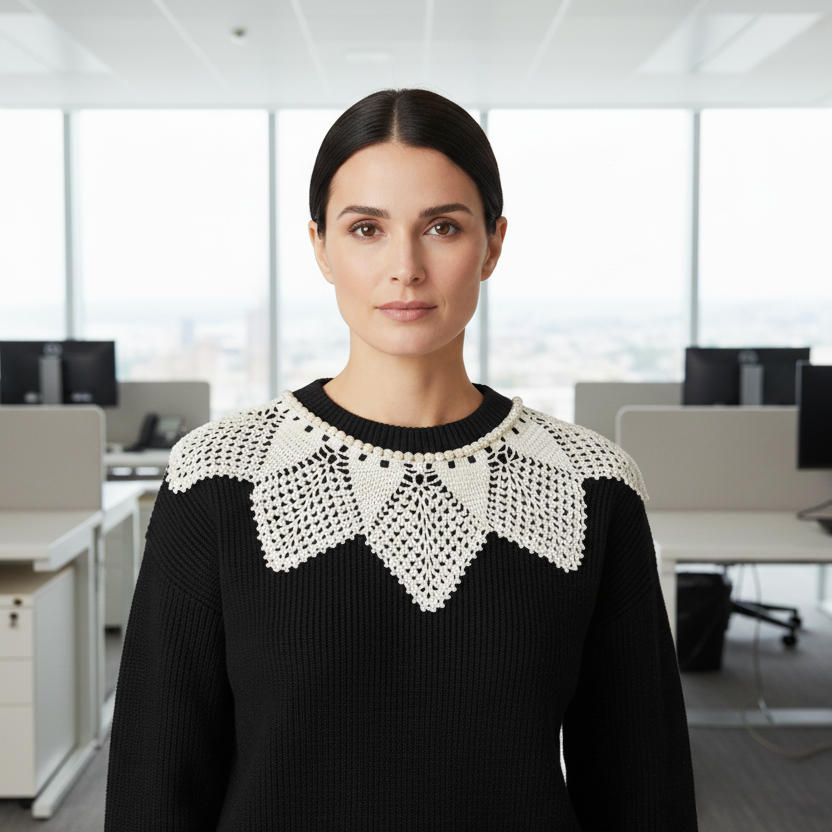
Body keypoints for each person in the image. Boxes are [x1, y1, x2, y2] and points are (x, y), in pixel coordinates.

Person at [105, 88, 698, 831]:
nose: (405, 267)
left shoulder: (593, 485)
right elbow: (154, 786)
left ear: (494, 243)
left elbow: (644, 790)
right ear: (320, 246)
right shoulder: (218, 478)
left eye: (443, 227)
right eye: (366, 229)